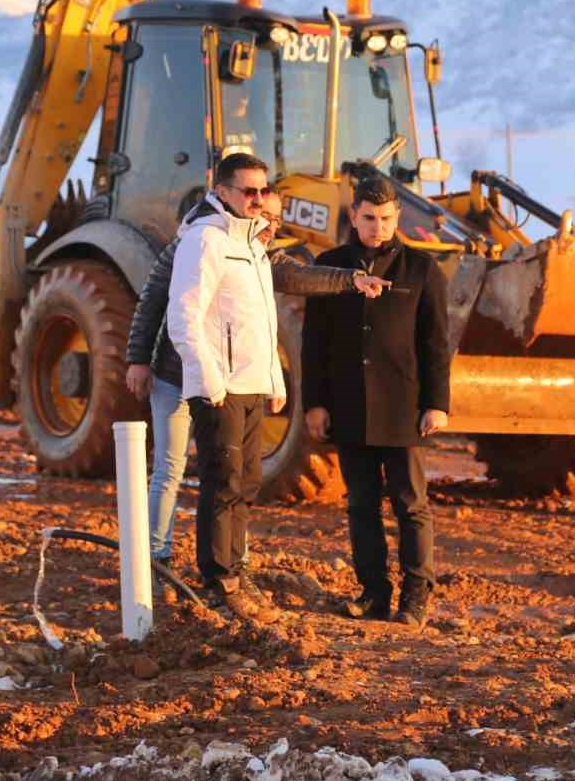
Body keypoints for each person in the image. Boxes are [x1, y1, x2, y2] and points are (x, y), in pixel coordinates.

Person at [124, 190, 386, 570]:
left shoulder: (259, 257)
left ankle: (234, 557)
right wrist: (138, 359)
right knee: (171, 468)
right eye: (267, 215)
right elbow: (155, 302)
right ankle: (155, 555)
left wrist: (351, 280)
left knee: (235, 477)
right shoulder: (195, 245)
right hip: (175, 376)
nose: (272, 226)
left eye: (278, 220)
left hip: (223, 384)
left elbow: (296, 278)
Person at [302, 172, 451, 628]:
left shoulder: (422, 270)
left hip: (404, 408)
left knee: (410, 503)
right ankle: (374, 594)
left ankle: (415, 596)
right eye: (369, 218)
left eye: (386, 218)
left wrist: (436, 403)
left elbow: (436, 342)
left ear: (397, 216)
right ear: (354, 215)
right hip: (349, 406)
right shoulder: (328, 267)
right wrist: (315, 402)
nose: (378, 227)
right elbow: (314, 343)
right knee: (360, 504)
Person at [163, 154, 293, 620]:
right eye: (248, 191)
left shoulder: (254, 245)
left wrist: (274, 377)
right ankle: (219, 580)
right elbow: (185, 316)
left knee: (248, 481)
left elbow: (263, 320)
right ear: (222, 192)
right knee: (223, 481)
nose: (258, 199)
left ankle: (238, 569)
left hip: (253, 383)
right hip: (221, 386)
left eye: (263, 191)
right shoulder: (206, 240)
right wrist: (209, 379)